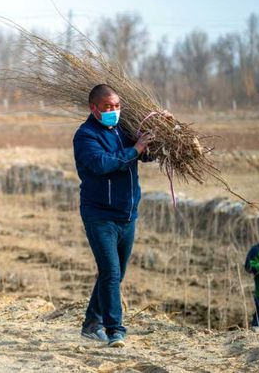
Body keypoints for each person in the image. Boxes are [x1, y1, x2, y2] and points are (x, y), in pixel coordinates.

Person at [73, 84, 166, 348]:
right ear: (94, 108)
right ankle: (115, 331)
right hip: (99, 215)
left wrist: (157, 140)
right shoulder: (85, 136)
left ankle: (91, 325)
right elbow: (102, 164)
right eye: (107, 107)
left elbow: (143, 155)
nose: (113, 111)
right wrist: (134, 149)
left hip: (127, 214)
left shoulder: (123, 130)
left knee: (113, 274)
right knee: (111, 273)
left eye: (117, 106)